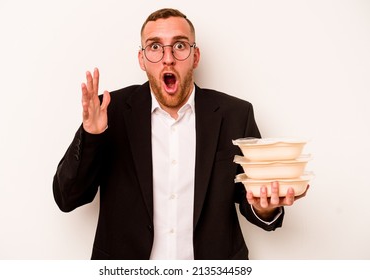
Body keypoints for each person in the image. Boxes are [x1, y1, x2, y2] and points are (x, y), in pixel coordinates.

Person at [53, 8, 308, 260]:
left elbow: (252, 198)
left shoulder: (235, 114)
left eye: (179, 46)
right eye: (154, 47)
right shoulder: (111, 111)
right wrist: (91, 135)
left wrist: (265, 208)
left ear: (195, 56)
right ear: (141, 60)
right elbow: (68, 198)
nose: (168, 58)